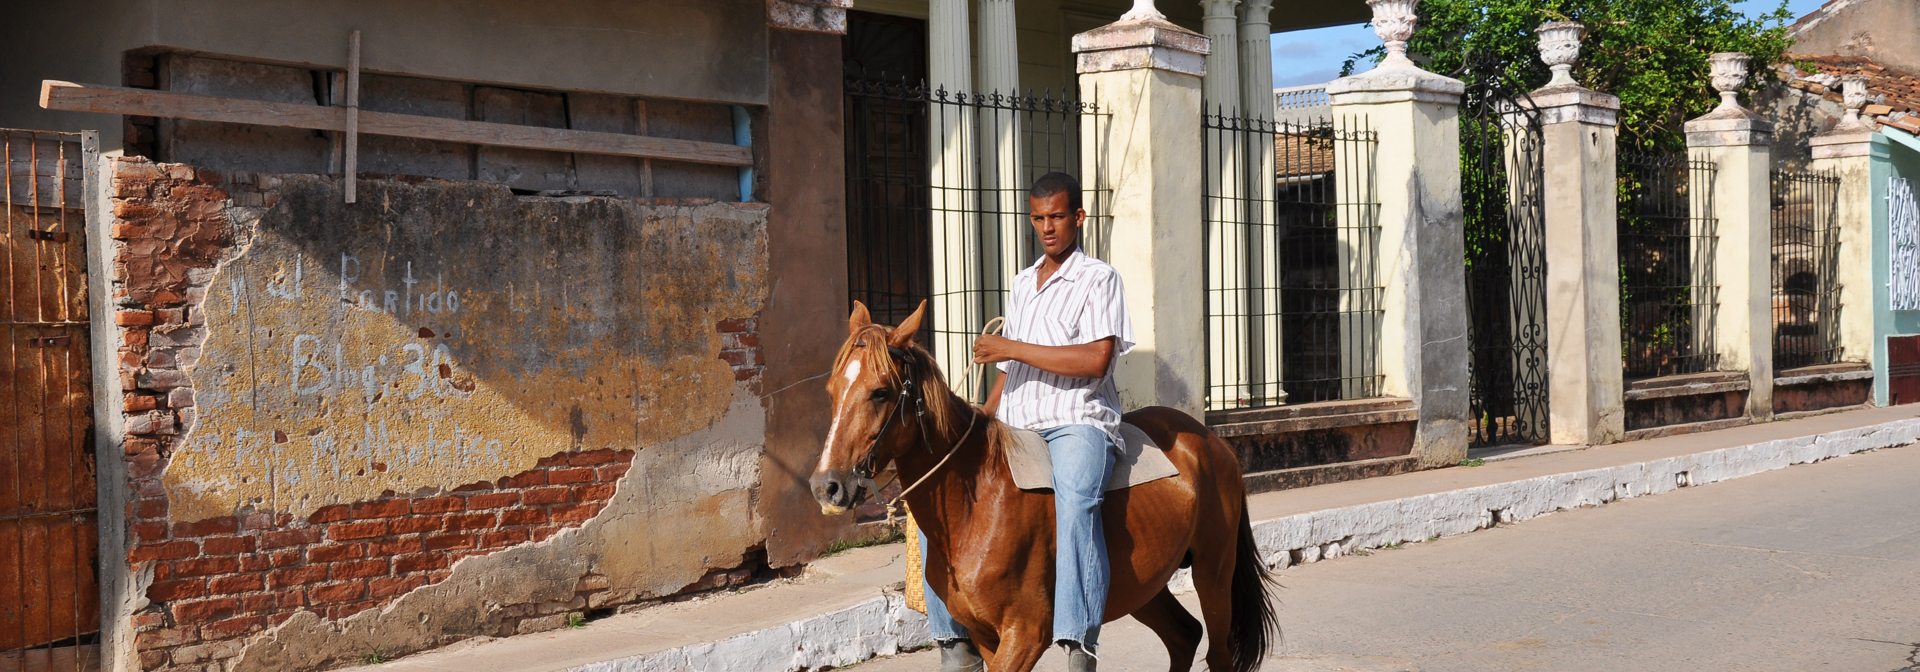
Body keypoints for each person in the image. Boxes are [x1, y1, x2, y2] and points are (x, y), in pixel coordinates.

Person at [920, 172, 1134, 672]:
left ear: (1078, 217)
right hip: (1014, 425)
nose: (1047, 227)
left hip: (1076, 421)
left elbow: (1096, 361)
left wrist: (1008, 347)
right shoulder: (1022, 281)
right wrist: (982, 418)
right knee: (937, 501)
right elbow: (1011, 371)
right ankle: (955, 644)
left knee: (1078, 499)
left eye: (1057, 216)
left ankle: (1079, 644)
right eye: (1038, 218)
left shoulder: (1098, 278)